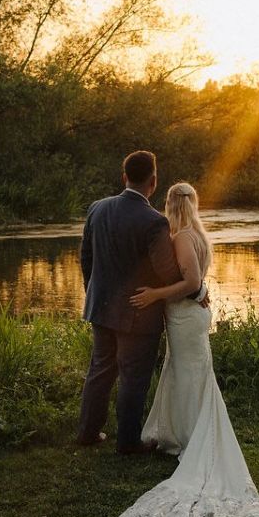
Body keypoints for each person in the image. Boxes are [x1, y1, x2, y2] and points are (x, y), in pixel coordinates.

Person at [108, 181, 259, 517]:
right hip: (188, 317)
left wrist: (154, 295)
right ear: (192, 205)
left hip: (184, 317)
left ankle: (192, 437)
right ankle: (181, 433)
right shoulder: (197, 234)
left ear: (170, 204)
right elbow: (199, 284)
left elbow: (192, 282)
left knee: (190, 374)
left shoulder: (180, 238)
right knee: (184, 373)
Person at [76, 150, 191, 454]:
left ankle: (88, 432)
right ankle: (127, 442)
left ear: (124, 177)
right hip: (139, 314)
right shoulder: (155, 222)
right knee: (133, 377)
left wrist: (96, 291)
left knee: (100, 370)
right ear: (153, 182)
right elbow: (166, 272)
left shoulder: (96, 209)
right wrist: (195, 287)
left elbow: (86, 257)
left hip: (100, 308)